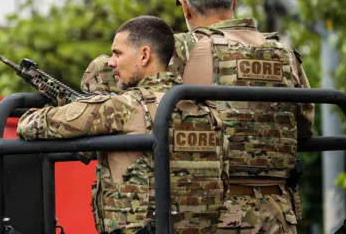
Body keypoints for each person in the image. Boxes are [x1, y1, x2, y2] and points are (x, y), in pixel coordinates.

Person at [16, 15, 228, 234]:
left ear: (144, 55)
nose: (111, 62)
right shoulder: (208, 112)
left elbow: (30, 125)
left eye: (118, 53)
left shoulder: (125, 106)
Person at [171, 0, 315, 234]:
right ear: (233, 0)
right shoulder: (283, 51)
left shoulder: (182, 49)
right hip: (277, 212)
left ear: (186, 7)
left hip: (209, 211)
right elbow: (305, 125)